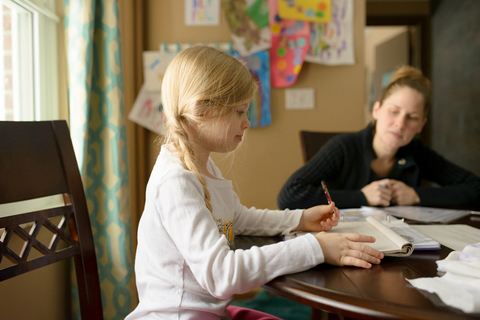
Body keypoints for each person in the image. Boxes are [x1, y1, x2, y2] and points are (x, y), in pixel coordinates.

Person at [126, 46, 384, 320]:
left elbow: (236, 217)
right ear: (202, 109)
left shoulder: (203, 165)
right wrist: (316, 248)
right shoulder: (176, 181)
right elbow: (221, 275)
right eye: (239, 111)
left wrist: (299, 219)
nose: (246, 123)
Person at [278, 66, 480, 210]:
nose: (400, 124)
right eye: (394, 112)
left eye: (412, 117)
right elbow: (289, 195)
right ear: (376, 110)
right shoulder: (344, 147)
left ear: (421, 125)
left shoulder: (416, 152)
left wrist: (416, 195)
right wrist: (361, 197)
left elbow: (475, 187)